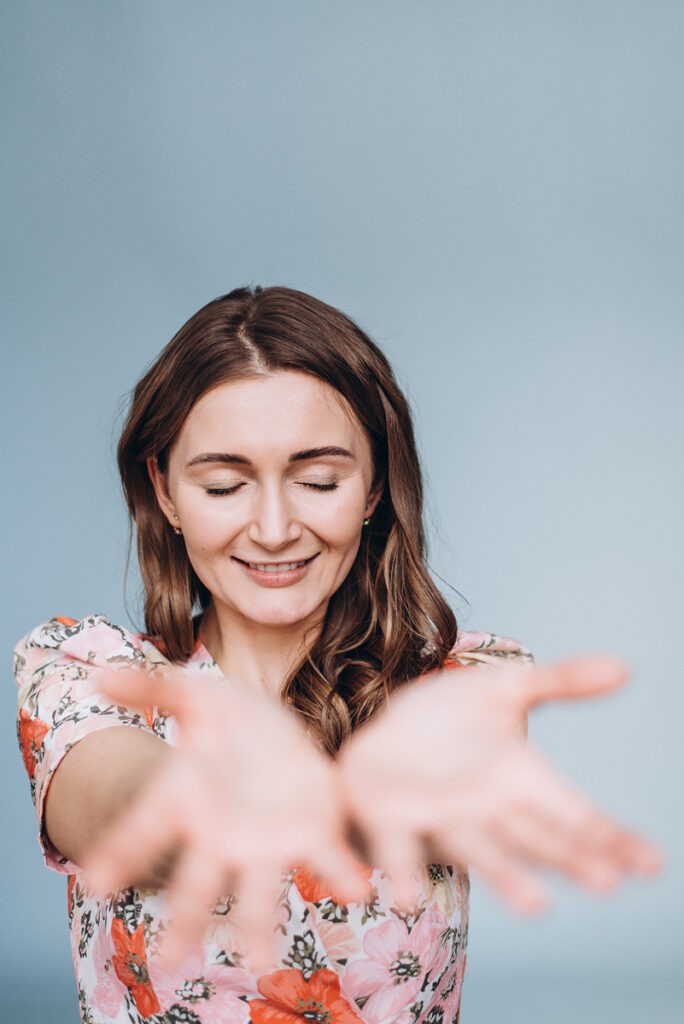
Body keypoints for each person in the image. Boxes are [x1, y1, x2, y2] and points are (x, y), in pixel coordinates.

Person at [14, 286, 659, 1024]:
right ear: (164, 491)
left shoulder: (464, 680)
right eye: (224, 484)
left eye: (318, 480)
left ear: (375, 485)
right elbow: (116, 803)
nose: (275, 526)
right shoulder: (83, 671)